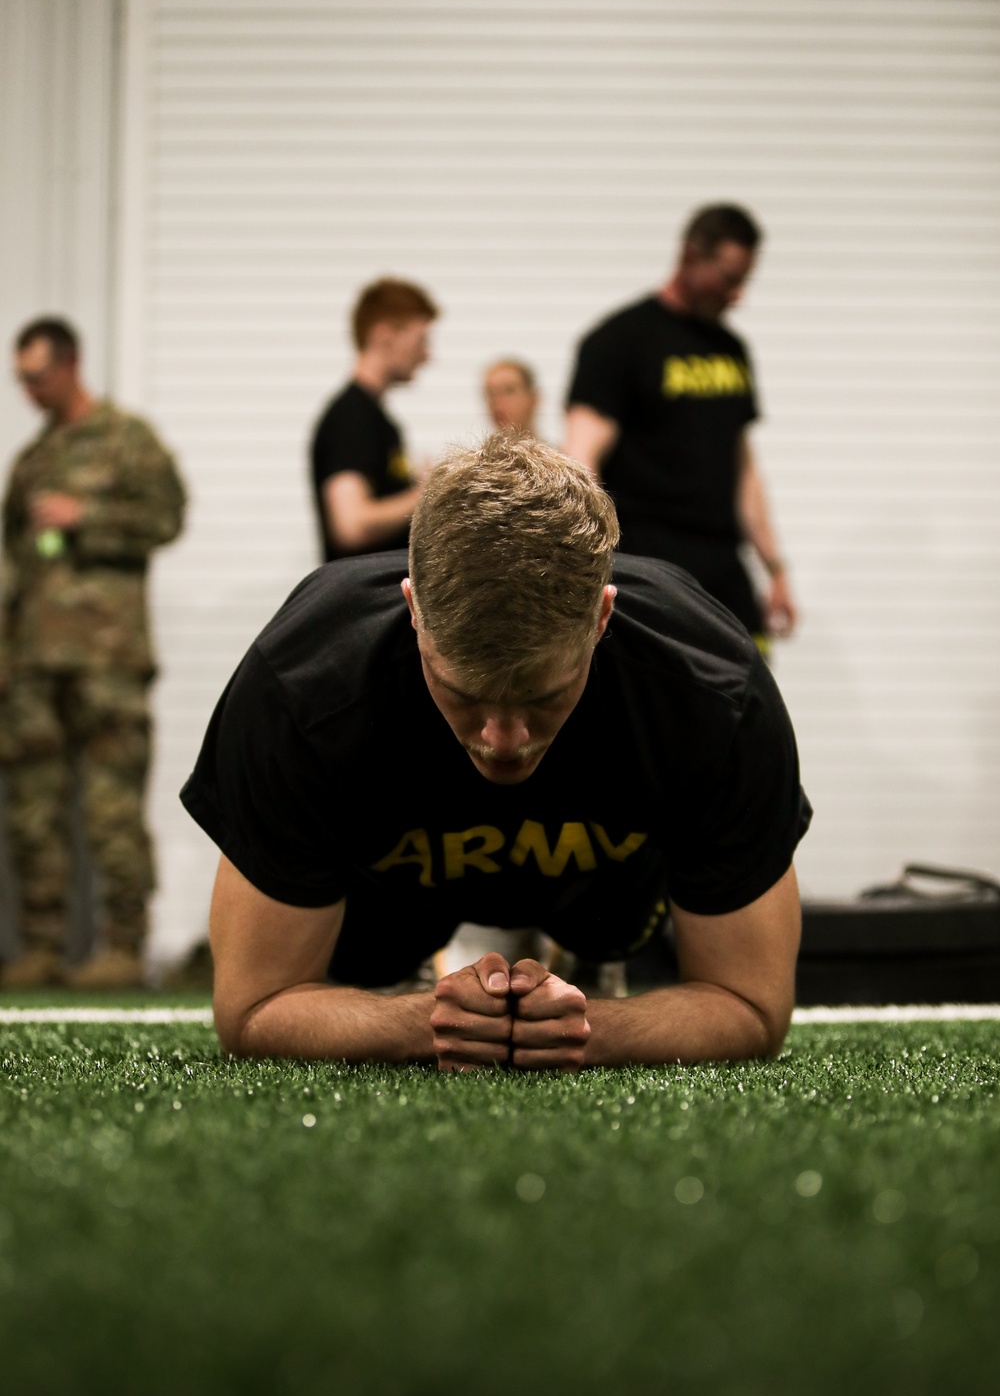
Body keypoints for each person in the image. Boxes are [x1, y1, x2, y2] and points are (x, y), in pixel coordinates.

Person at [182, 434, 810, 1071]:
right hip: (386, 902)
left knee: (610, 924)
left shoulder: (711, 690)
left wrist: (592, 1028)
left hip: (607, 897)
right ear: (413, 612)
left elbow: (752, 1006)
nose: (502, 741)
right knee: (367, 959)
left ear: (601, 618)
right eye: (465, 694)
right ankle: (412, 960)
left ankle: (590, 947)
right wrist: (413, 1021)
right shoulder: (303, 685)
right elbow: (254, 1008)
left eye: (543, 696)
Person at [0, 317, 186, 989]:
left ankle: (122, 945)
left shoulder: (126, 439)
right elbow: (10, 566)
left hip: (108, 660)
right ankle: (42, 947)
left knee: (112, 808)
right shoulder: (31, 462)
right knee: (32, 810)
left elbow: (168, 516)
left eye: (37, 376)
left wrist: (88, 519)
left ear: (70, 365)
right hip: (32, 664)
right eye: (21, 379)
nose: (28, 390)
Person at [565, 203, 797, 649]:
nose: (738, 295)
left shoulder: (731, 349)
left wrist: (775, 569)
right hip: (648, 571)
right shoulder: (618, 342)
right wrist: (586, 571)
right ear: (692, 256)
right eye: (729, 279)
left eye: (744, 281)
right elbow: (580, 463)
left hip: (723, 572)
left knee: (744, 703)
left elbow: (743, 468)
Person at [310, 278, 438, 562]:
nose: (427, 355)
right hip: (361, 603)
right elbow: (351, 525)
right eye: (421, 340)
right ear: (384, 335)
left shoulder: (375, 419)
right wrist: (427, 495)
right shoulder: (352, 418)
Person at [483, 359, 539, 437]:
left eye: (509, 391)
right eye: (491, 393)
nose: (498, 400)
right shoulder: (479, 449)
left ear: (533, 399)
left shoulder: (557, 449)